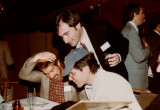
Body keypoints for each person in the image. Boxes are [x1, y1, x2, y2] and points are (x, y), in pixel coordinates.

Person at [55, 9, 129, 80]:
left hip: (116, 79)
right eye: (62, 37)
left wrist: (119, 56)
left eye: (67, 34)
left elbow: (123, 42)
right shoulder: (66, 48)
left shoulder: (102, 28)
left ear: (77, 25)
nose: (65, 41)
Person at [63, 47, 142, 110]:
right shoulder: (89, 86)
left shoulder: (113, 84)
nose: (70, 78)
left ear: (86, 69)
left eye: (72, 74)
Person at [18, 51, 87, 103]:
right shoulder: (43, 77)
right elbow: (23, 75)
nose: (50, 76)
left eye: (52, 70)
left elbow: (85, 101)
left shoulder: (73, 76)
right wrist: (35, 58)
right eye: (46, 73)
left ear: (59, 63)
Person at [121, 3, 151, 92]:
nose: (144, 16)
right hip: (136, 80)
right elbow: (139, 57)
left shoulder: (127, 29)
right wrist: (148, 49)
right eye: (142, 13)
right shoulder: (131, 31)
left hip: (133, 78)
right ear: (135, 14)